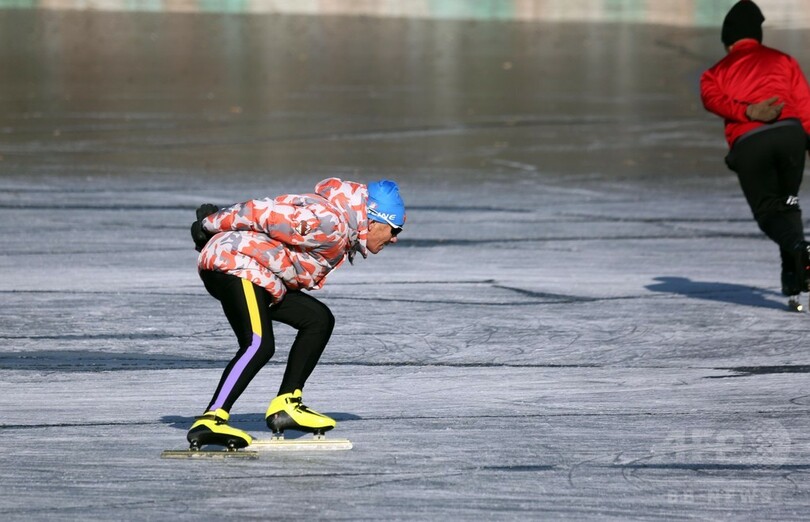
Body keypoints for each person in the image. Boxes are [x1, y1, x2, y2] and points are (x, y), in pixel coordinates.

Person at [185, 177, 405, 449]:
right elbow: (261, 213)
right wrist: (209, 224)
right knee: (258, 344)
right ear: (373, 221)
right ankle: (212, 419)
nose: (394, 239)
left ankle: (286, 404)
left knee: (317, 319)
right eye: (395, 229)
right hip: (236, 266)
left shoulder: (341, 229)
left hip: (259, 275)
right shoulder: (329, 223)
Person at [700, 0, 810, 311]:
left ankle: (801, 249)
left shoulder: (715, 72)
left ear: (728, 40)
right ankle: (794, 282)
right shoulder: (784, 60)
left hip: (751, 143)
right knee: (789, 205)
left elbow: (711, 99)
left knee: (767, 211)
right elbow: (805, 107)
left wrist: (746, 111)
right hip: (790, 137)